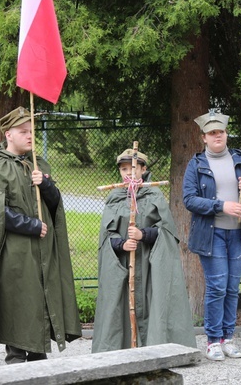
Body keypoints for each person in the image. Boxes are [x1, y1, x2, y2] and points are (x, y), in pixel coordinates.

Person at [0, 106, 82, 364]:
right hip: (14, 252)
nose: (30, 136)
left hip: (42, 252)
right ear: (8, 134)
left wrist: (46, 184)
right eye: (23, 131)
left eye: (32, 131)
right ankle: (15, 359)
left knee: (40, 300)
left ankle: (38, 358)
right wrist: (30, 225)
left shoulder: (37, 164)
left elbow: (54, 205)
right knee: (18, 301)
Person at [92, 148, 196, 352]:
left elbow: (167, 232)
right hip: (123, 266)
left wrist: (143, 235)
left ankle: (155, 349)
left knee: (154, 304)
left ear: (143, 169)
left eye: (132, 168)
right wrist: (121, 244)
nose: (128, 173)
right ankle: (120, 350)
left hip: (150, 266)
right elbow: (106, 236)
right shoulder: (115, 197)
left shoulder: (154, 195)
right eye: (123, 169)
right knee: (120, 308)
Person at [183, 110, 241, 361]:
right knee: (217, 287)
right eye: (212, 133)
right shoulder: (196, 165)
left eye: (221, 131)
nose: (217, 136)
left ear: (226, 134)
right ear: (204, 138)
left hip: (239, 235)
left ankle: (228, 338)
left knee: (232, 288)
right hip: (212, 235)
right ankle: (213, 341)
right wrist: (222, 206)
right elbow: (189, 199)